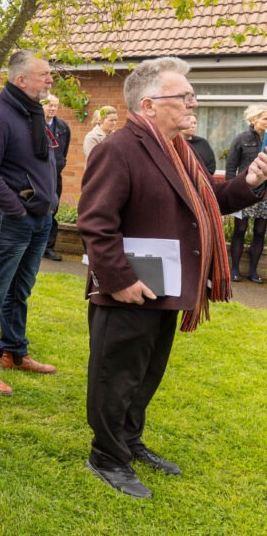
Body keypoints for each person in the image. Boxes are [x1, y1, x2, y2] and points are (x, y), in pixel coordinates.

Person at [77, 56, 267, 499]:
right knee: (116, 373)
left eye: (191, 95)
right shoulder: (118, 148)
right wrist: (120, 279)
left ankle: (127, 439)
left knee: (145, 371)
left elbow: (209, 199)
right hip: (128, 288)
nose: (192, 102)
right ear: (148, 105)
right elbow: (95, 222)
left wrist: (252, 179)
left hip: (166, 285)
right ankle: (105, 455)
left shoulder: (179, 150)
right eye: (182, 96)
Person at [0, 50, 59, 396]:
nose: (50, 79)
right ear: (21, 80)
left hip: (38, 220)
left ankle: (14, 353)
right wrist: (17, 209)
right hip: (10, 220)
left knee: (20, 291)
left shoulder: (32, 113)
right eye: (44, 74)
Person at [225, 104, 267, 283]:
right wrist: (229, 193)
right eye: (265, 118)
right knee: (240, 230)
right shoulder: (241, 139)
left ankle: (252, 272)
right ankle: (234, 270)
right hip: (244, 191)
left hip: (265, 195)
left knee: (260, 231)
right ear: (253, 120)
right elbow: (231, 167)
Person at [43, 95, 72, 261]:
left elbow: (64, 151)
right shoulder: (35, 123)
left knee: (53, 209)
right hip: (39, 176)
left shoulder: (63, 127)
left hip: (55, 176)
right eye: (49, 105)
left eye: (55, 106)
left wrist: (59, 165)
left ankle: (48, 247)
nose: (52, 109)